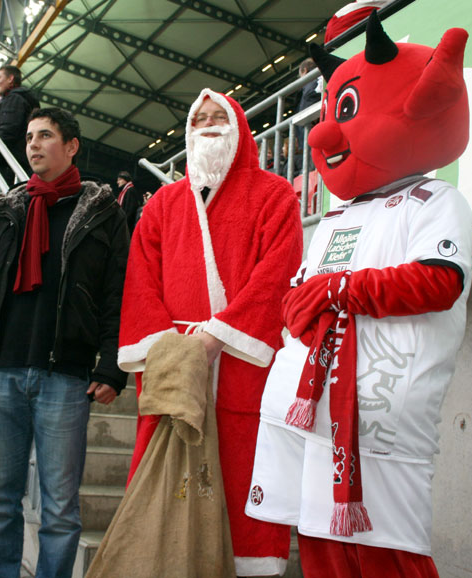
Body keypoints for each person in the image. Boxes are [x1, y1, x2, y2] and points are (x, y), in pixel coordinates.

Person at [246, 15, 472, 577]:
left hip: (382, 421)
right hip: (315, 415)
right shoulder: (338, 215)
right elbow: (303, 292)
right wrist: (303, 302)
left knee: (390, 555)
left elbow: (439, 281)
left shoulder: (438, 200)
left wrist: (342, 291)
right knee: (322, 547)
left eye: (347, 112)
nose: (326, 136)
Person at [118, 88, 304, 576]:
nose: (207, 124)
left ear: (240, 128)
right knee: (165, 486)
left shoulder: (274, 195)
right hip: (174, 365)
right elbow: (141, 279)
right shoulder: (162, 204)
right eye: (198, 117)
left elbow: (276, 274)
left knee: (245, 479)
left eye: (219, 116)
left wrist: (217, 335)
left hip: (242, 364)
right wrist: (174, 350)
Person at [0, 107, 129, 578]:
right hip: (3, 370)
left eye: (45, 136)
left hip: (65, 377)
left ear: (71, 145)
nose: (33, 144)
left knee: (59, 510)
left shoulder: (103, 213)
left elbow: (118, 294)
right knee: (0, 502)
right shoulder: (10, 208)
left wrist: (112, 367)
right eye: (30, 136)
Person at [0, 65, 39, 179]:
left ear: (10, 79)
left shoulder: (13, 99)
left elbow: (8, 132)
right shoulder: (22, 99)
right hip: (19, 161)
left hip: (8, 163)